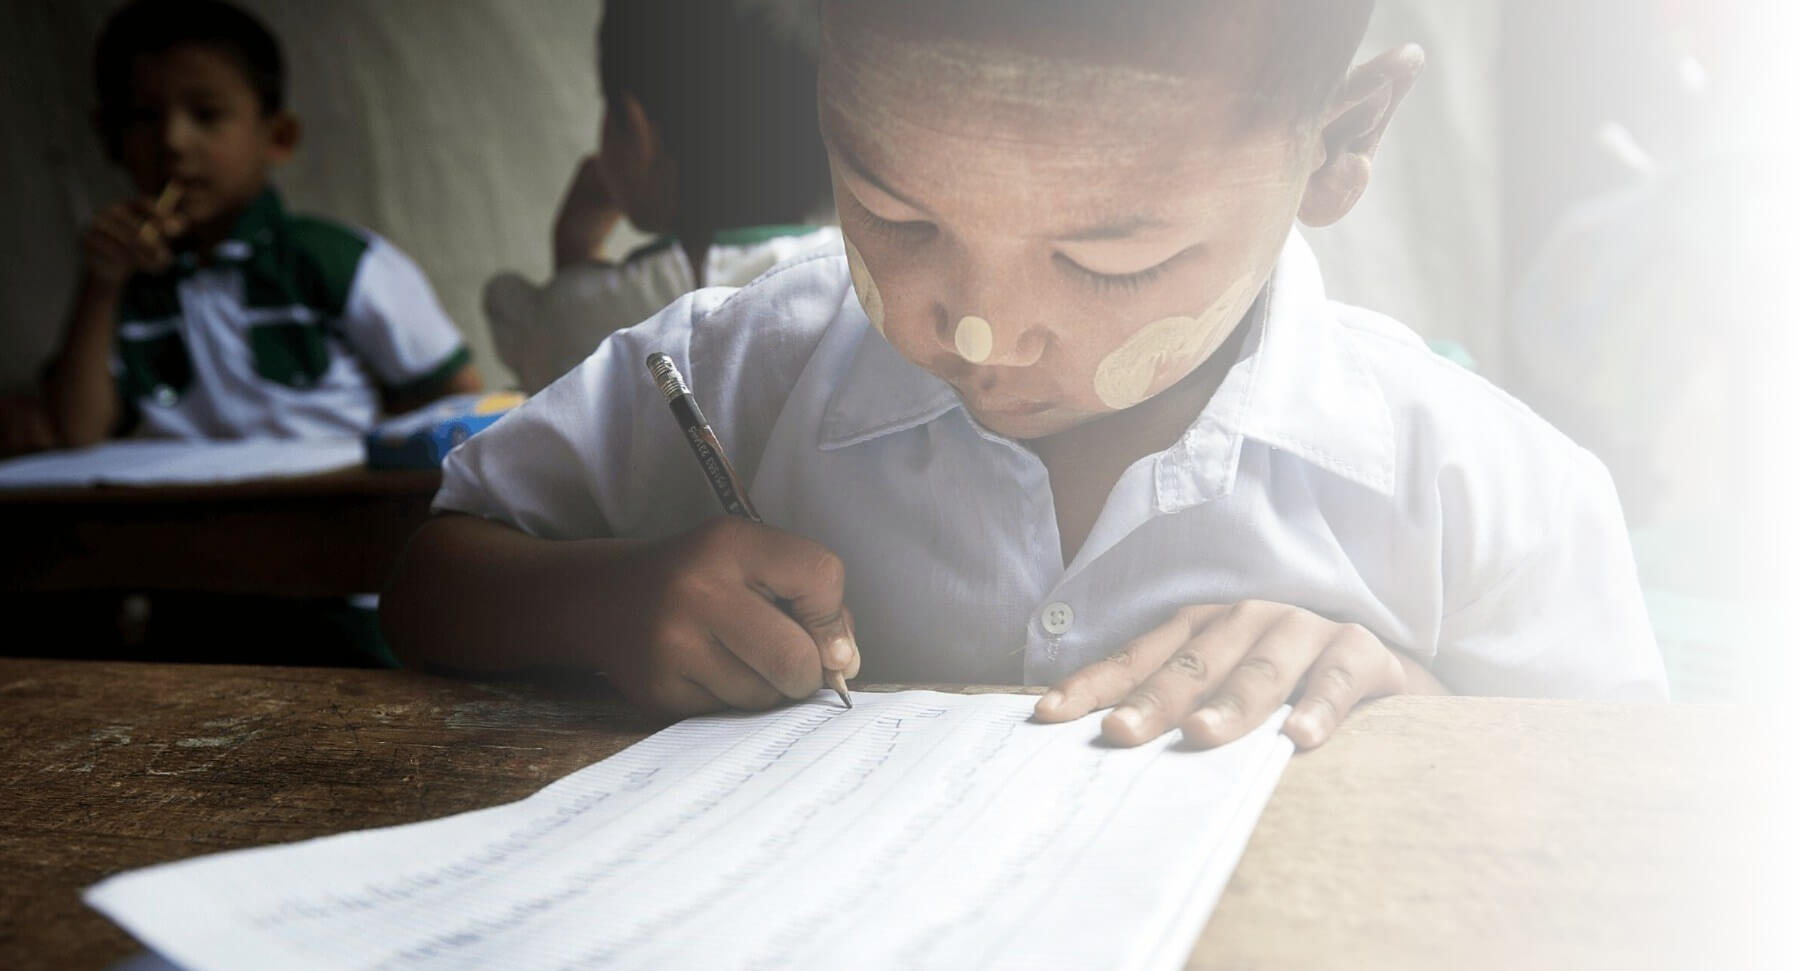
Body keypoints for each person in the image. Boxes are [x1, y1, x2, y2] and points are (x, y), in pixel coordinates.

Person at [383, 0, 1667, 751]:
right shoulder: (747, 364)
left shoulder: (1478, 488)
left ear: (1338, 145)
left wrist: (1413, 708)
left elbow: (1624, 816)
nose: (984, 333)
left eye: (1110, 263)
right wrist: (607, 601)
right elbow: (428, 576)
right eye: (896, 217)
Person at [36, 0, 481, 447]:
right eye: (144, 117)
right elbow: (78, 433)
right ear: (109, 138)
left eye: (206, 115)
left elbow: (458, 398)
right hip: (170, 491)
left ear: (277, 137)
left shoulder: (336, 260)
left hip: (327, 489)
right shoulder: (125, 286)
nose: (173, 141)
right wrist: (101, 284)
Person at [483, 0, 840, 394]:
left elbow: (549, 371)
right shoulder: (852, 280)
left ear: (638, 133)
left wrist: (574, 247)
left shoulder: (587, 312)